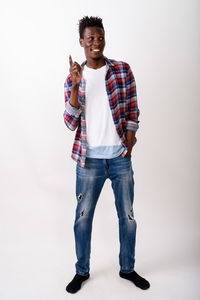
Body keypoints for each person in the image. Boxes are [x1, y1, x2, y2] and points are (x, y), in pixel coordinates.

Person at [63, 16, 150, 294]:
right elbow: (69, 121)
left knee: (128, 216)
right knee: (83, 217)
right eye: (90, 39)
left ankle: (127, 268)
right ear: (81, 42)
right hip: (89, 161)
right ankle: (81, 271)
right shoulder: (74, 77)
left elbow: (133, 108)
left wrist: (130, 141)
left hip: (120, 158)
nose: (96, 43)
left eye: (99, 37)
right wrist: (76, 85)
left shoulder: (122, 70)